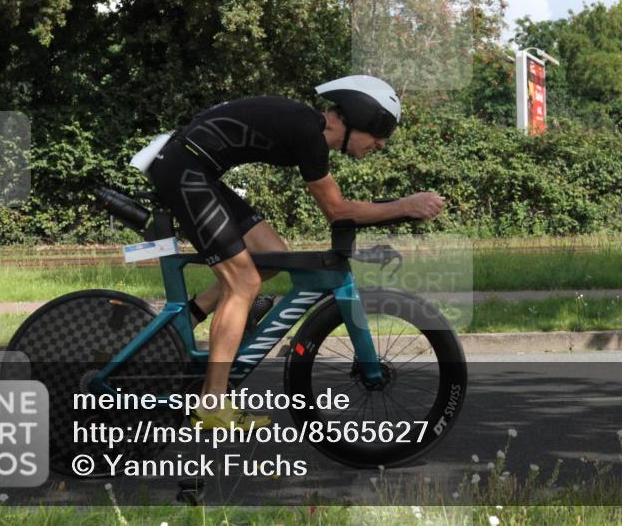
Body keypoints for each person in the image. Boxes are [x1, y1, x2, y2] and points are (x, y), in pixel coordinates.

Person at [147, 75, 444, 429]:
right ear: (356, 118)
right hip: (186, 170)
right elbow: (337, 211)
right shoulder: (308, 133)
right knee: (243, 283)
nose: (380, 143)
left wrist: (399, 208)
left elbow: (337, 208)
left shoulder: (307, 129)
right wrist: (406, 205)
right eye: (378, 132)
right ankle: (211, 403)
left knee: (271, 254)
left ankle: (181, 326)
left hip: (193, 168)